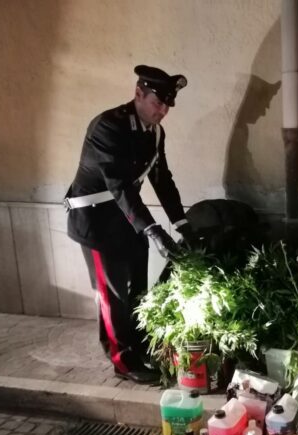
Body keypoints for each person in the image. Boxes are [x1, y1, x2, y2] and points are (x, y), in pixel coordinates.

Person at [65, 65, 196, 384]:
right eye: (157, 102)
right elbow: (119, 185)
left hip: (125, 216)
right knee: (112, 294)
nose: (163, 111)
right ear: (139, 94)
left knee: (138, 286)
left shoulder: (154, 131)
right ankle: (121, 359)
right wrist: (153, 230)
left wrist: (182, 223)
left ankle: (138, 347)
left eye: (167, 105)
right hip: (96, 219)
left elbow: (161, 179)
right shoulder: (108, 126)